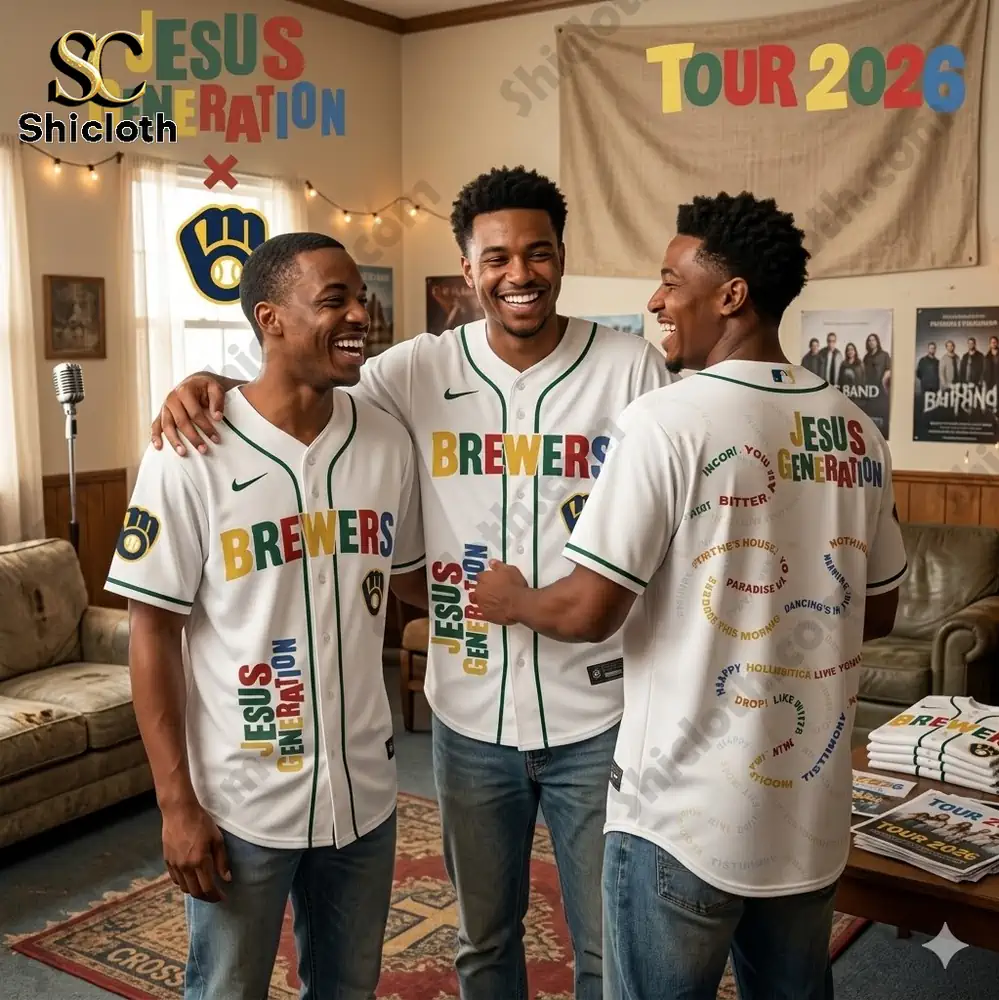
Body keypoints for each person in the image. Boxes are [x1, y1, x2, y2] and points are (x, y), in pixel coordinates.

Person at [147, 166, 678, 1000]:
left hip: (598, 714)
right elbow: (290, 378)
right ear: (466, 271)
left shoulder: (630, 370)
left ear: (563, 258)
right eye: (496, 257)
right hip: (467, 715)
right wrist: (202, 383)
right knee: (483, 941)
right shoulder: (409, 373)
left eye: (538, 253)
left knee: (611, 948)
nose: (519, 274)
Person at [470, 191, 907, 1000]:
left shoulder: (665, 421)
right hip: (808, 818)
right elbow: (875, 609)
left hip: (680, 817)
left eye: (671, 279)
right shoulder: (856, 429)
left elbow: (588, 610)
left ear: (731, 295)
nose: (656, 299)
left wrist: (512, 600)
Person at [107, 233, 427, 1000]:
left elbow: (412, 582)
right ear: (271, 319)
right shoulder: (190, 451)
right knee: (226, 989)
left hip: (365, 795)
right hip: (242, 801)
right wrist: (175, 804)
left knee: (348, 988)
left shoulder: (384, 440)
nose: (361, 314)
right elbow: (151, 632)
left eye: (361, 297)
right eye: (334, 301)